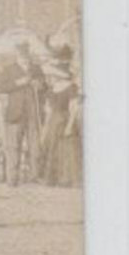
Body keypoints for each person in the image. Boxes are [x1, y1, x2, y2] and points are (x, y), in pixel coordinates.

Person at [0, 51, 38, 187]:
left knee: (35, 146)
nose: (26, 58)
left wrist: (40, 84)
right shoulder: (9, 70)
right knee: (13, 146)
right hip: (15, 113)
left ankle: (34, 177)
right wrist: (19, 82)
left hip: (33, 113)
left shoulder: (36, 69)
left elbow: (44, 86)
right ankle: (12, 179)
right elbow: (1, 87)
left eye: (27, 54)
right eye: (23, 55)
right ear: (17, 56)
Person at [39, 58, 83, 187]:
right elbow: (48, 111)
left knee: (67, 149)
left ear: (57, 75)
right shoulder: (51, 90)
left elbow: (74, 108)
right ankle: (54, 179)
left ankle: (68, 179)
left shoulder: (71, 87)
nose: (49, 78)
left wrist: (70, 125)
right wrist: (45, 129)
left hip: (65, 119)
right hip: (53, 121)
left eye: (51, 76)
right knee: (52, 148)